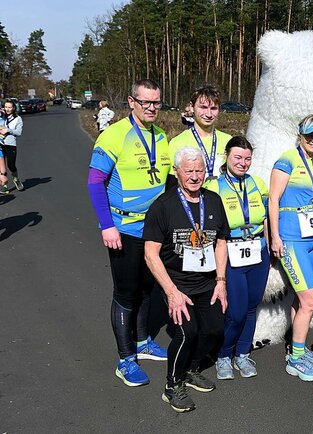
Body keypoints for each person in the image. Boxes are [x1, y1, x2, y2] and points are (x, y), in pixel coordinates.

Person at [87, 79, 171, 387]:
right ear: (131, 102)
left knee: (147, 289)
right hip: (123, 228)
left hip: (153, 230)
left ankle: (142, 341)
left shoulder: (161, 135)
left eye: (156, 102)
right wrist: (107, 225)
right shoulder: (113, 134)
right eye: (145, 101)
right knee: (125, 293)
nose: (151, 107)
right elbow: (95, 182)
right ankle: (125, 360)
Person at [143, 146, 229, 413]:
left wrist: (221, 281)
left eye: (199, 170)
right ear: (177, 172)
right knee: (186, 333)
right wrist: (171, 292)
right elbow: (150, 254)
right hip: (176, 283)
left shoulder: (213, 201)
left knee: (214, 330)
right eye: (189, 170)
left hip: (207, 281)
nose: (194, 176)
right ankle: (172, 385)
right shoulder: (163, 206)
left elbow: (221, 241)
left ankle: (191, 369)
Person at [269, 114, 313, 381]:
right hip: (293, 238)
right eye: (310, 135)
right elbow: (273, 199)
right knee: (310, 300)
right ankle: (295, 360)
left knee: (302, 299)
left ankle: (298, 347)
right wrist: (275, 237)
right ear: (300, 135)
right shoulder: (287, 159)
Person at [213, 137, 270, 379]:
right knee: (235, 311)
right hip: (232, 253)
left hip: (258, 251)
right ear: (226, 156)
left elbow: (266, 219)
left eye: (247, 158)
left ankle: (243, 354)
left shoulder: (257, 183)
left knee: (251, 307)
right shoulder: (214, 186)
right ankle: (224, 354)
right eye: (238, 157)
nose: (243, 163)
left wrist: (271, 246)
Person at [168, 85, 232, 192]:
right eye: (203, 107)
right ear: (192, 107)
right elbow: (173, 184)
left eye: (213, 108)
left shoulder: (228, 140)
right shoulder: (177, 142)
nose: (209, 114)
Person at [0, 100, 24, 191]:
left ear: (13, 108)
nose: (7, 109)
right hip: (0, 143)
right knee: (2, 167)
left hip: (10, 144)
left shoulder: (18, 119)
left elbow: (19, 132)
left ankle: (16, 179)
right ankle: (4, 185)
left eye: (9, 107)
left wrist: (8, 130)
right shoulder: (2, 116)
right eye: (6, 107)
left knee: (11, 165)